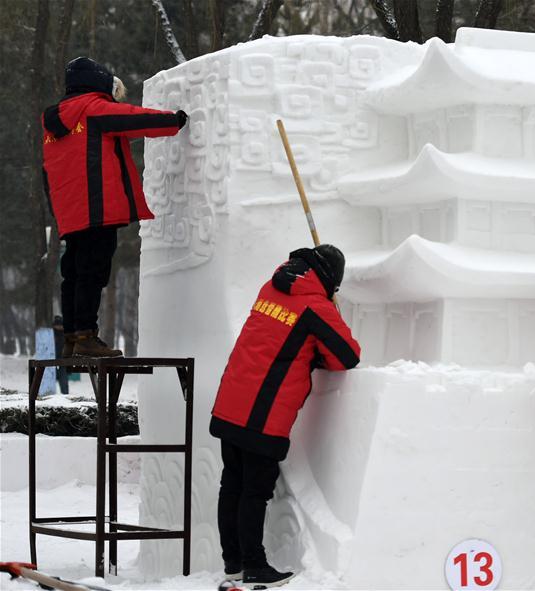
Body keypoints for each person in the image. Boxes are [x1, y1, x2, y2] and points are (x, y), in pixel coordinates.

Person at [209, 245, 361, 589]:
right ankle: (254, 566)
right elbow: (348, 355)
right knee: (255, 491)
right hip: (264, 411)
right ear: (330, 280)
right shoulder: (315, 306)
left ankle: (233, 562)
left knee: (231, 484)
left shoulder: (271, 287)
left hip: (231, 399)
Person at [42, 57, 188, 358]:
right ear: (97, 82)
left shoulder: (56, 123)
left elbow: (48, 171)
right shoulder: (92, 109)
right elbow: (133, 118)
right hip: (97, 209)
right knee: (93, 272)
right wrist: (173, 121)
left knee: (73, 272)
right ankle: (86, 336)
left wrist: (58, 213)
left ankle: (71, 336)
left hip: (70, 213)